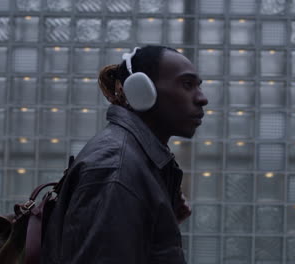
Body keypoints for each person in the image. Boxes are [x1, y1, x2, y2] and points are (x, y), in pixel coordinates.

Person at [41, 45, 208, 263]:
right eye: (187, 84)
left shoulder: (136, 161)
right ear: (143, 91)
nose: (202, 98)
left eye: (198, 86)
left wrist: (162, 222)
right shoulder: (116, 169)